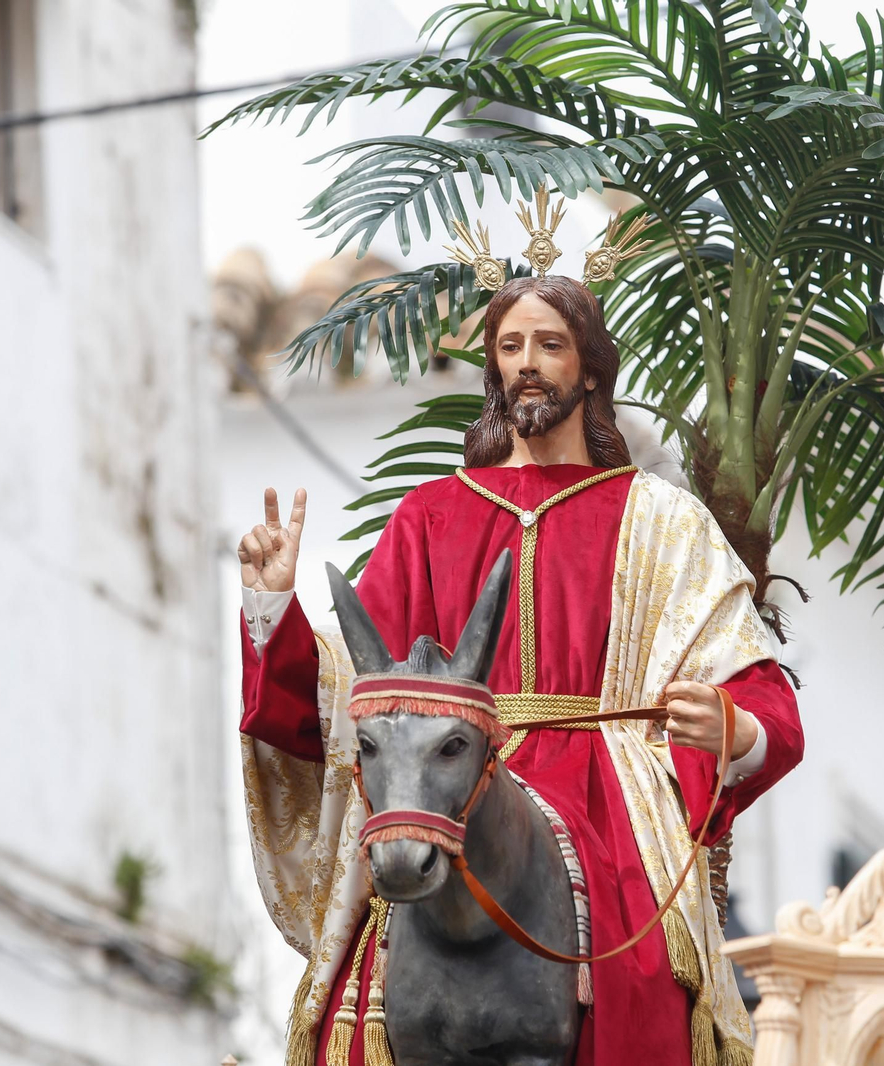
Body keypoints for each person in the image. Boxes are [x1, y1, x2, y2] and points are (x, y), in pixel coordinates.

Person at [236, 202, 802, 1066]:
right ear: (494, 369)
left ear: (589, 368)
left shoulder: (661, 522)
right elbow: (353, 689)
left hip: (608, 803)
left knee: (643, 974)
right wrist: (273, 609)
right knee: (367, 976)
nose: (528, 364)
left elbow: (756, 692)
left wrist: (731, 726)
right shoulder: (431, 516)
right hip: (443, 783)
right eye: (510, 347)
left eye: (549, 344)